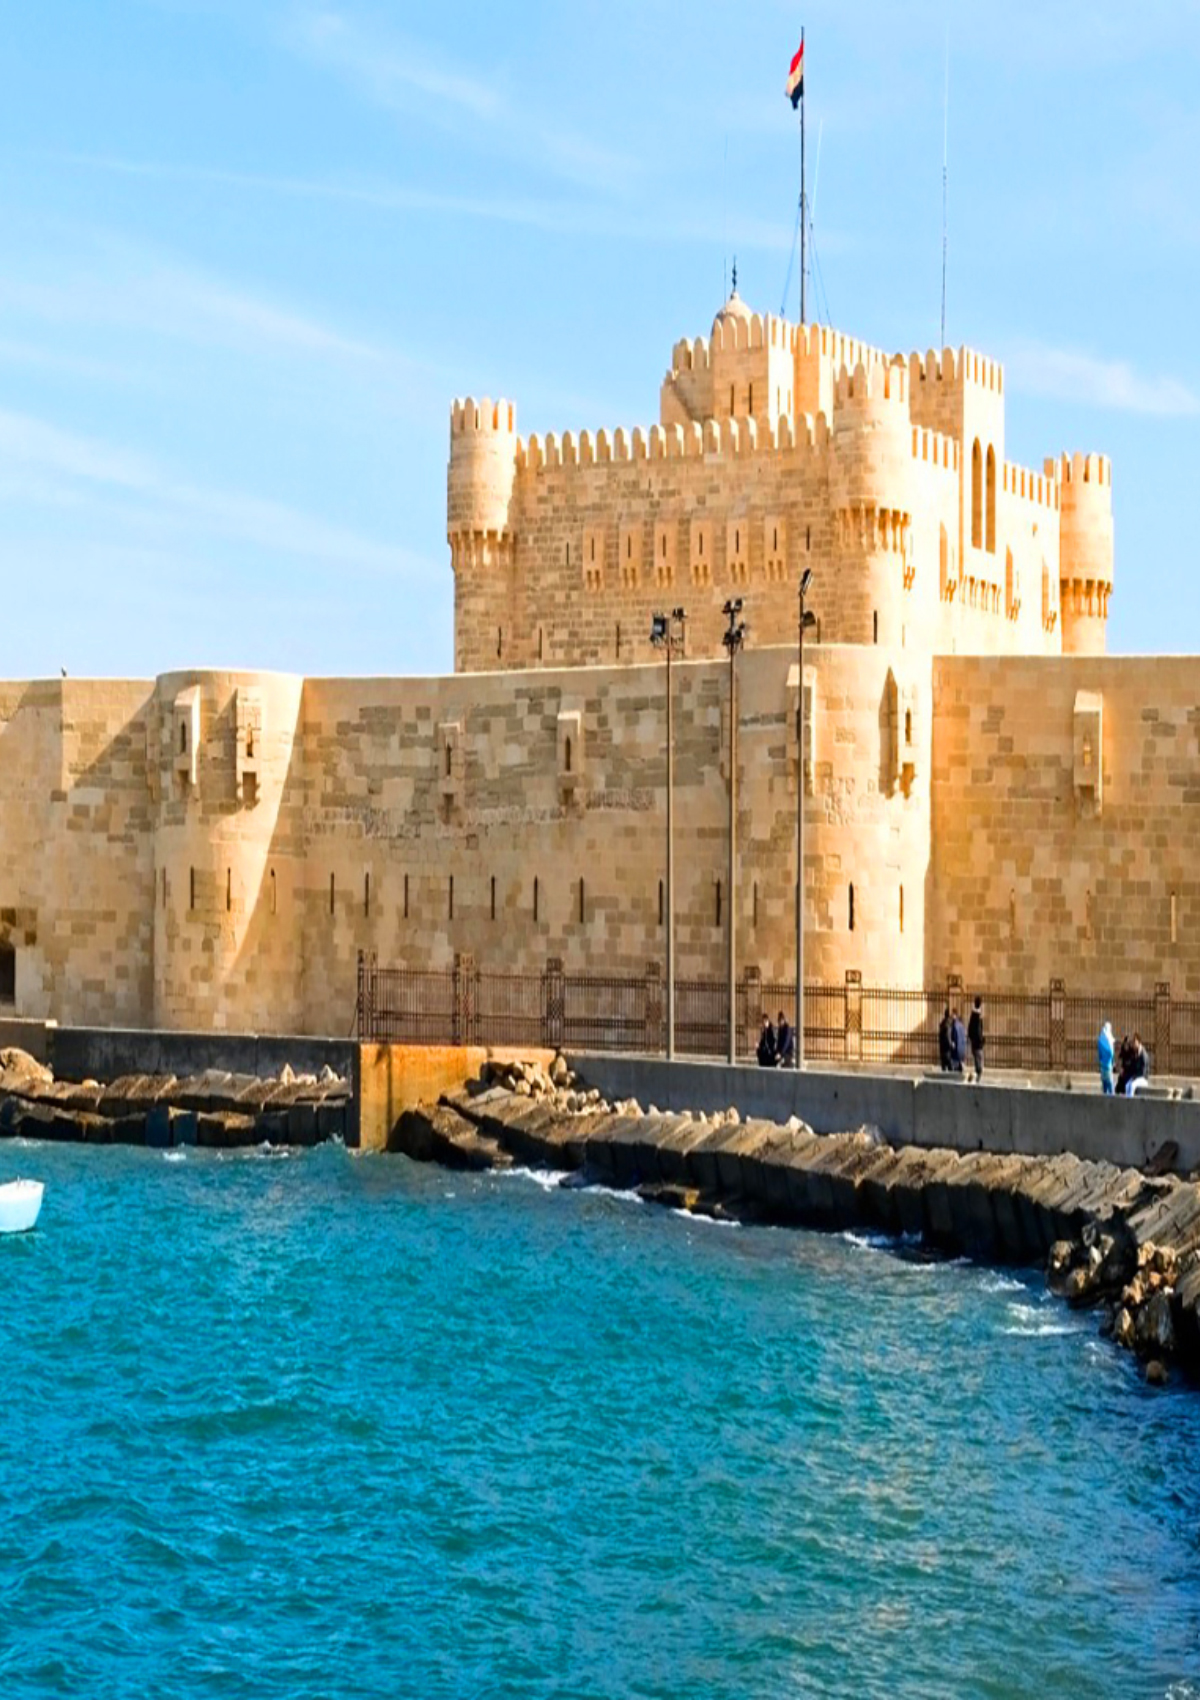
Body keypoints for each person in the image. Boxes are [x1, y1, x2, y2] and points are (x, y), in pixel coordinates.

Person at [967, 996, 985, 1082]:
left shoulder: (973, 1016)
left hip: (974, 1043)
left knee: (977, 1062)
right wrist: (981, 1040)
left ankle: (975, 1078)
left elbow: (970, 1030)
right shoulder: (977, 1016)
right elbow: (978, 1031)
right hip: (978, 1044)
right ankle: (976, 1080)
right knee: (979, 1065)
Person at [1124, 1032, 1148, 1096]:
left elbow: (1143, 1071)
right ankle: (1128, 1100)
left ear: (1139, 1042)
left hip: (1143, 1078)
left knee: (1132, 1085)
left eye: (1134, 1042)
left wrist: (1135, 1076)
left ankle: (1131, 1100)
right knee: (1127, 1085)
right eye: (1133, 1042)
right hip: (1136, 1077)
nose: (1133, 1044)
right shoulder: (1135, 1053)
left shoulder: (1143, 1054)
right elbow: (1132, 1067)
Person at [1097, 1020, 1115, 1095]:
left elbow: (1099, 1054)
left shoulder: (1100, 1039)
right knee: (1110, 1084)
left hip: (1102, 1065)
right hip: (1108, 1065)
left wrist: (1101, 1060)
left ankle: (1104, 1097)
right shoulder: (1110, 1039)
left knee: (1104, 1084)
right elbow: (1112, 1053)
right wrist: (1113, 1062)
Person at [950, 1009, 967, 1075]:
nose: (951, 1015)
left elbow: (954, 1036)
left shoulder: (955, 1024)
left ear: (955, 1015)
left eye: (952, 1014)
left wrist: (953, 1042)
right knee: (959, 1064)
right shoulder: (961, 1025)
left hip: (956, 1047)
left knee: (955, 1065)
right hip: (961, 1048)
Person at [938, 1006, 953, 1072]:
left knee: (944, 1067)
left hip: (942, 1048)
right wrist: (951, 1044)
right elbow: (948, 1036)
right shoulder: (948, 1024)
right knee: (950, 1067)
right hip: (947, 1049)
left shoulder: (943, 1023)